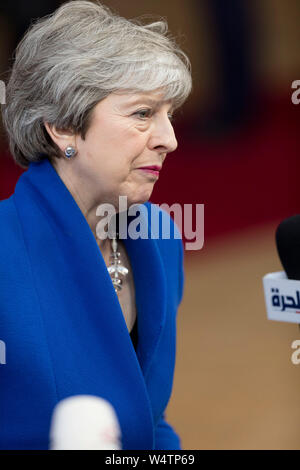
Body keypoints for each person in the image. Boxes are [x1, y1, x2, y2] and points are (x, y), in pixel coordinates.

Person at [0, 0, 192, 450]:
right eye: (143, 113)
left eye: (169, 114)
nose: (170, 139)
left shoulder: (160, 237)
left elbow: (150, 420)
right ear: (63, 127)